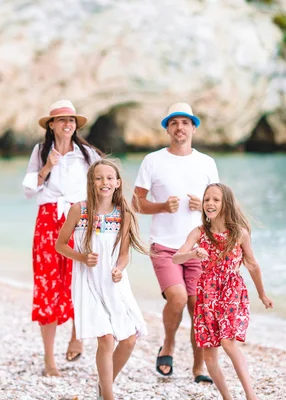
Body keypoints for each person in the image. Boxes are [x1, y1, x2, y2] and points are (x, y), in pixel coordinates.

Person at [131, 102, 219, 383]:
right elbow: (136, 203)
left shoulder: (206, 162)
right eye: (174, 123)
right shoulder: (153, 161)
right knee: (178, 298)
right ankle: (168, 343)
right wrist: (160, 207)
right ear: (167, 129)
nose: (179, 127)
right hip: (164, 246)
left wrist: (203, 205)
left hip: (199, 248)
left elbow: (219, 204)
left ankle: (198, 368)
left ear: (193, 127)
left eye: (185, 122)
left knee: (198, 307)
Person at [22, 99, 103, 377]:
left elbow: (105, 184)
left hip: (78, 218)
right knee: (47, 283)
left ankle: (77, 336)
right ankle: (49, 359)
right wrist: (46, 166)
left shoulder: (88, 154)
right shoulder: (41, 150)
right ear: (52, 125)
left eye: (72, 120)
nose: (67, 124)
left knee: (79, 276)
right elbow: (28, 190)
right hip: (47, 219)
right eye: (62, 120)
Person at [56, 159, 148, 400]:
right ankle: (108, 395)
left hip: (115, 281)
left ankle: (103, 385)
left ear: (117, 183)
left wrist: (119, 268)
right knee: (106, 338)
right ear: (91, 182)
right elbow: (60, 245)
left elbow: (125, 253)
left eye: (109, 178)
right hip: (87, 280)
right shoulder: (79, 209)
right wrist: (81, 257)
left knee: (129, 339)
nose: (104, 182)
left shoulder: (124, 214)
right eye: (98, 178)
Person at [172, 183, 273, 400]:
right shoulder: (198, 233)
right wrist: (192, 254)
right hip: (206, 294)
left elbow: (253, 265)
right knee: (209, 356)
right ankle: (227, 397)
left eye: (216, 200)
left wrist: (262, 294)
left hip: (231, 289)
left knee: (228, 341)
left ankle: (250, 395)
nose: (210, 203)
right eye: (207, 199)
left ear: (225, 203)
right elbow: (176, 258)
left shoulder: (239, 233)